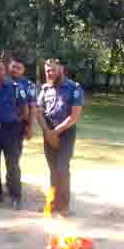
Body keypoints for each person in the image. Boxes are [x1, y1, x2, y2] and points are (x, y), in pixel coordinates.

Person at [36, 58, 83, 216]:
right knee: (53, 169)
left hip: (66, 133)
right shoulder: (45, 89)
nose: (50, 73)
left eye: (53, 70)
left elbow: (74, 116)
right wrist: (47, 131)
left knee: (62, 168)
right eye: (47, 71)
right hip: (48, 131)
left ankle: (64, 206)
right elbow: (39, 112)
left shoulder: (74, 88)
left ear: (61, 69)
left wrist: (55, 132)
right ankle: (53, 204)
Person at [0, 59, 29, 209]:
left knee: (12, 164)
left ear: (5, 70)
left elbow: (25, 110)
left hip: (10, 131)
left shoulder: (15, 87)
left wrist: (14, 121)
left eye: (0, 68)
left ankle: (15, 196)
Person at [9, 59, 37, 194]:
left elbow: (32, 107)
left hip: (18, 126)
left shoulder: (29, 85)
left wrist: (30, 127)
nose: (15, 70)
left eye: (18, 68)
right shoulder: (2, 81)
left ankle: (13, 186)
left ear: (23, 70)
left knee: (14, 157)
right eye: (13, 67)